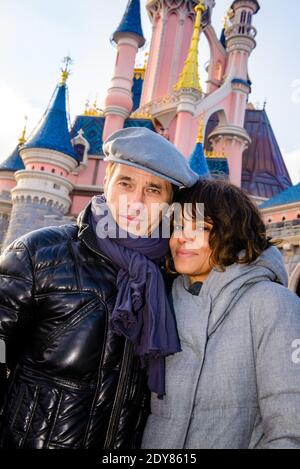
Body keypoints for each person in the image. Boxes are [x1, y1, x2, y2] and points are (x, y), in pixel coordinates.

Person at [0, 127, 198, 449]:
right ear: (106, 180)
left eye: (153, 190)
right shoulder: (39, 254)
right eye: (126, 183)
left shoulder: (172, 280)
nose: (136, 201)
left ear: (169, 203)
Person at [142, 178, 300, 449]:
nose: (182, 237)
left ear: (233, 233)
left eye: (201, 228)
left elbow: (291, 428)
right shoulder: (160, 303)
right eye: (178, 225)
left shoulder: (272, 304)